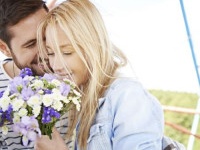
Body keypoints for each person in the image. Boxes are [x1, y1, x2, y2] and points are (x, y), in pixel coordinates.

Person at [35, 0, 165, 149]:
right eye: (50, 53)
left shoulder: (129, 97)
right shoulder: (86, 100)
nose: (56, 66)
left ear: (93, 46)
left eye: (67, 52)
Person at [0, 0, 72, 149]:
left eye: (46, 36)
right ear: (4, 48)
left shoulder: (75, 73)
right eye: (31, 44)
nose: (45, 51)